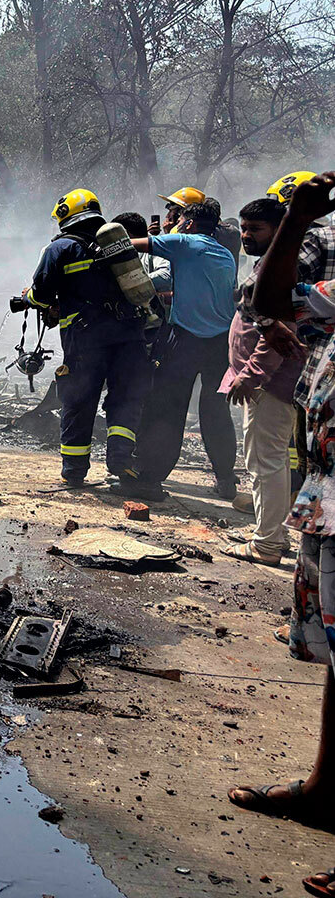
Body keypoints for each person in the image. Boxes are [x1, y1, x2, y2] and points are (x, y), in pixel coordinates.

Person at [232, 171, 335, 898]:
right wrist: (298, 218)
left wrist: (297, 220)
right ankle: (326, 791)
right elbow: (271, 302)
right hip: (330, 494)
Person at [22, 189, 151, 487]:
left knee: (78, 401)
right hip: (130, 337)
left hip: (85, 341)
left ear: (65, 215)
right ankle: (120, 456)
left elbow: (41, 294)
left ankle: (74, 470)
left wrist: (27, 297)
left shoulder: (60, 248)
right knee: (124, 398)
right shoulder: (118, 245)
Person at [128, 201, 239, 499]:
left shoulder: (185, 242)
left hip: (187, 340)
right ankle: (226, 480)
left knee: (167, 408)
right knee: (216, 412)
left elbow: (131, 244)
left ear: (188, 224)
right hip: (221, 344)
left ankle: (149, 479)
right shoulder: (223, 253)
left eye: (179, 220)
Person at [219, 196, 304, 564]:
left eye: (255, 229)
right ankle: (273, 534)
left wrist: (251, 376)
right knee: (273, 461)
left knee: (264, 462)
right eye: (243, 228)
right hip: (268, 382)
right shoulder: (271, 263)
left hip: (269, 384)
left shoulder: (281, 268)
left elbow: (279, 333)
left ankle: (266, 545)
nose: (245, 235)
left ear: (278, 229)